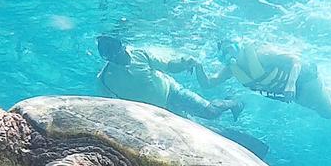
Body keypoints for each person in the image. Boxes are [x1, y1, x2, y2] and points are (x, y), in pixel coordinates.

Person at [195, 39, 331, 119]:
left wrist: (290, 85)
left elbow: (295, 60)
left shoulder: (261, 54)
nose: (228, 55)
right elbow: (208, 84)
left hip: (303, 79)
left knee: (328, 111)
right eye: (223, 53)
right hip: (293, 91)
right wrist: (198, 67)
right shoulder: (232, 70)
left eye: (230, 49)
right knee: (321, 101)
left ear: (238, 46)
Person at [96, 35, 243, 120]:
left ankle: (232, 103)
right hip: (152, 114)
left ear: (121, 45)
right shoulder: (104, 79)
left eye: (114, 50)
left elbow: (169, 66)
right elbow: (113, 109)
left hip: (173, 93)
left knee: (211, 113)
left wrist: (185, 63)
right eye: (106, 54)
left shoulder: (140, 54)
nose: (113, 56)